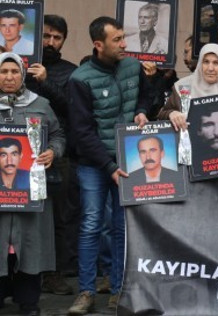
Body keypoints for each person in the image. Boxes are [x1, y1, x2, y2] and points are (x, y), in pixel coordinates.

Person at [68, 16, 150, 315]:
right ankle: (86, 292)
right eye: (117, 40)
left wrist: (142, 110)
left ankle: (118, 290)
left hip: (128, 159)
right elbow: (81, 131)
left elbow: (146, 95)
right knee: (91, 224)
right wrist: (108, 166)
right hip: (93, 164)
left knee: (121, 227)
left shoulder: (133, 67)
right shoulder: (80, 79)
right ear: (98, 44)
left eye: (124, 37)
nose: (124, 44)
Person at [0, 52, 65, 316]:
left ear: (23, 75)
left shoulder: (41, 104)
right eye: (3, 72)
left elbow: (58, 134)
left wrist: (52, 151)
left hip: (30, 190)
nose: (9, 77)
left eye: (14, 71)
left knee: (30, 245)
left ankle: (28, 301)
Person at [24, 14, 79, 296]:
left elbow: (72, 108)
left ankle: (55, 274)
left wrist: (45, 82)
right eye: (46, 36)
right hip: (17, 154)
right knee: (19, 212)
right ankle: (18, 275)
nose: (51, 42)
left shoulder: (71, 72)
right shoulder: (18, 65)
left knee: (60, 216)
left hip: (58, 153)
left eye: (57, 38)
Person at [159, 43, 218, 131]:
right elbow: (162, 115)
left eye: (216, 63)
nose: (210, 68)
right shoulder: (183, 86)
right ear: (200, 64)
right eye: (206, 62)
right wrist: (171, 114)